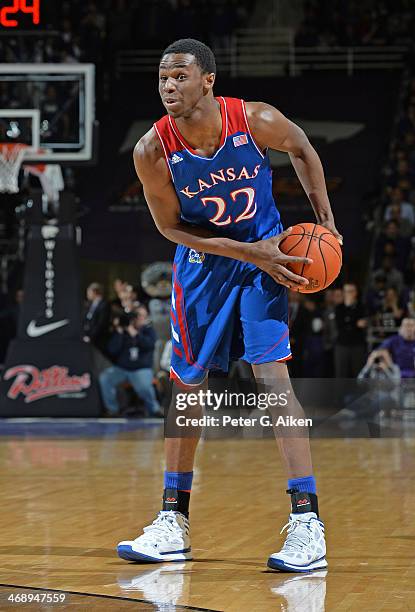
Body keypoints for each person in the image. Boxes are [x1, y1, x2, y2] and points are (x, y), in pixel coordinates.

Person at [117, 38, 342, 572]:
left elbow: (304, 149)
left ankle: (308, 523)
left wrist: (326, 222)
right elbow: (171, 227)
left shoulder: (255, 119)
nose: (169, 86)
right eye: (162, 79)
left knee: (272, 379)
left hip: (267, 256)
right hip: (205, 267)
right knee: (187, 387)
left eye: (179, 76)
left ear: (207, 80)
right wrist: (249, 252)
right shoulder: (152, 150)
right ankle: (173, 519)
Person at [99, 306, 162, 416]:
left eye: (143, 316)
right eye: (138, 316)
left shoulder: (148, 330)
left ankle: (154, 409)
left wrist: (136, 334)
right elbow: (112, 350)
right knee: (105, 378)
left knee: (144, 387)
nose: (140, 318)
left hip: (141, 368)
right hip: (122, 369)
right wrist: (119, 332)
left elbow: (149, 345)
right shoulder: (123, 331)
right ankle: (112, 410)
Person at [334, 283, 367, 378]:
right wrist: (355, 323)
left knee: (358, 373)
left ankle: (358, 393)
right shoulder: (338, 308)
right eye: (346, 291)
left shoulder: (362, 307)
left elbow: (363, 323)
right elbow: (340, 325)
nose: (348, 294)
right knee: (341, 373)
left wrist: (350, 322)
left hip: (357, 345)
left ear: (355, 293)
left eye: (350, 291)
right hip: (342, 344)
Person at [83, 282, 111, 354]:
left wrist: (91, 337)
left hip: (98, 340)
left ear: (95, 292)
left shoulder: (104, 305)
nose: (87, 295)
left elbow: (101, 324)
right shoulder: (90, 304)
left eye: (89, 292)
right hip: (88, 337)